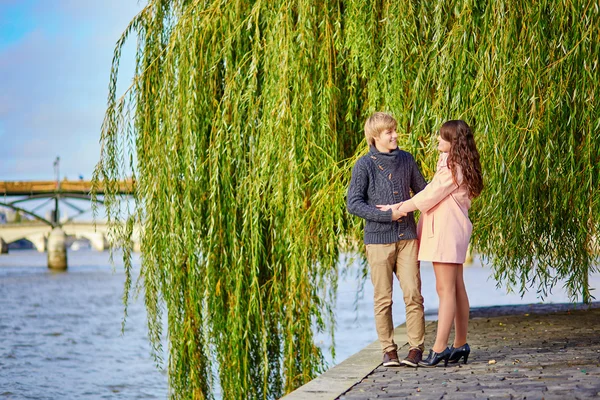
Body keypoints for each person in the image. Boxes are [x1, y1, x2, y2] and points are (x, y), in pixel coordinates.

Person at [378, 119, 483, 367]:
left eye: (441, 137)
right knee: (456, 287)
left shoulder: (451, 168)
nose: (437, 140)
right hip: (454, 228)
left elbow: (429, 195)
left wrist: (396, 208)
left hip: (446, 230)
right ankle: (460, 344)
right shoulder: (460, 164)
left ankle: (439, 349)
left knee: (445, 290)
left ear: (452, 142)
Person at [347, 112, 428, 368]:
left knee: (413, 294)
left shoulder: (406, 159)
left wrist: (403, 207)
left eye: (395, 130)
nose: (395, 135)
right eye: (388, 132)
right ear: (375, 137)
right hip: (378, 241)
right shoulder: (364, 165)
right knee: (383, 298)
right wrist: (388, 215)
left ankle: (416, 349)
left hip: (407, 237)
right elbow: (354, 204)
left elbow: (424, 194)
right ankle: (389, 350)